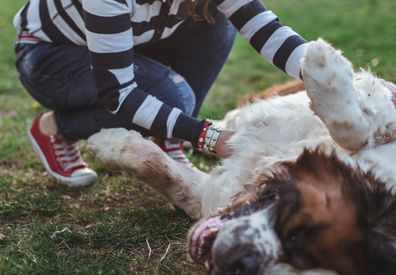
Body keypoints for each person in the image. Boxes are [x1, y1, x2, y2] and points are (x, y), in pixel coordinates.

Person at [13, 0, 307, 187]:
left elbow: (264, 27)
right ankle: (55, 128)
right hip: (49, 55)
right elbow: (119, 94)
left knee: (216, 20)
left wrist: (327, 71)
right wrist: (209, 136)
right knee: (173, 98)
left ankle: (168, 139)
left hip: (131, 37)